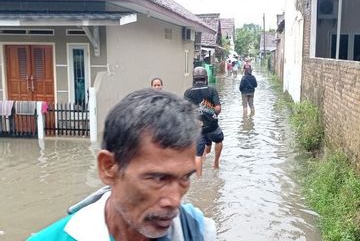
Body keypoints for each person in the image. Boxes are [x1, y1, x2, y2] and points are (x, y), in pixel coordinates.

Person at [28, 89, 216, 241]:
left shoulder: (195, 229)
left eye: (185, 178)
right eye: (158, 178)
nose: (175, 201)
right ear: (108, 167)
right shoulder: (60, 237)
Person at [184, 66, 224, 177]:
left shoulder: (188, 92)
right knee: (219, 140)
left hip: (196, 127)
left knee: (198, 154)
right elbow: (218, 109)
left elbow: (185, 110)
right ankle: (216, 163)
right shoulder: (212, 90)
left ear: (194, 78)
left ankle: (199, 178)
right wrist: (211, 113)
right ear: (205, 78)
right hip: (212, 126)